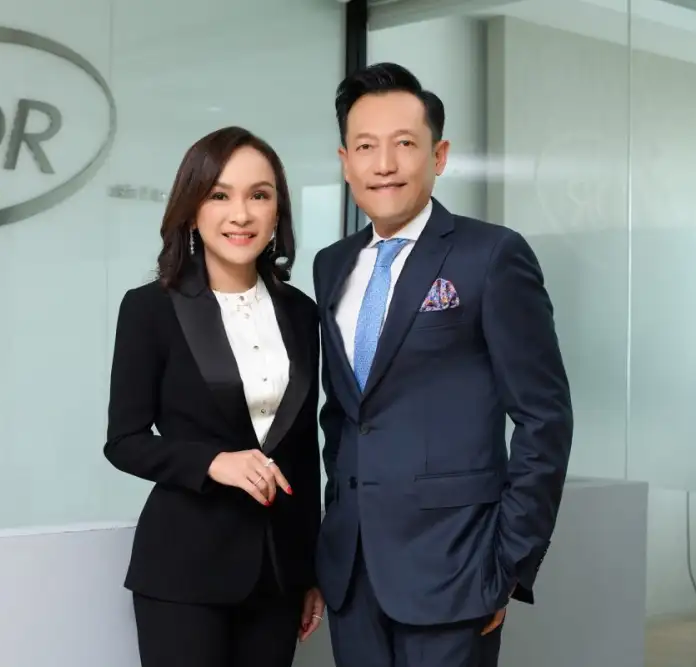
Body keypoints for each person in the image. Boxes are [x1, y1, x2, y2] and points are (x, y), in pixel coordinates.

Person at [312, 63, 574, 667]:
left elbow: (544, 417)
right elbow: (344, 416)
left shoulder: (492, 255)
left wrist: (508, 562)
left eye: (404, 144)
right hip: (352, 573)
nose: (384, 164)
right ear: (346, 162)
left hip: (456, 567)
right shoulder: (332, 264)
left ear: (440, 155)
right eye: (365, 147)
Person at [104, 126, 325, 667]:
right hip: (184, 572)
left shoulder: (301, 312)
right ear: (192, 210)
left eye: (259, 195)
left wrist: (310, 571)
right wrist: (213, 462)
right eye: (220, 195)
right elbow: (124, 441)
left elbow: (303, 451)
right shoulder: (150, 309)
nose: (241, 214)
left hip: (277, 576)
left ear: (277, 211)